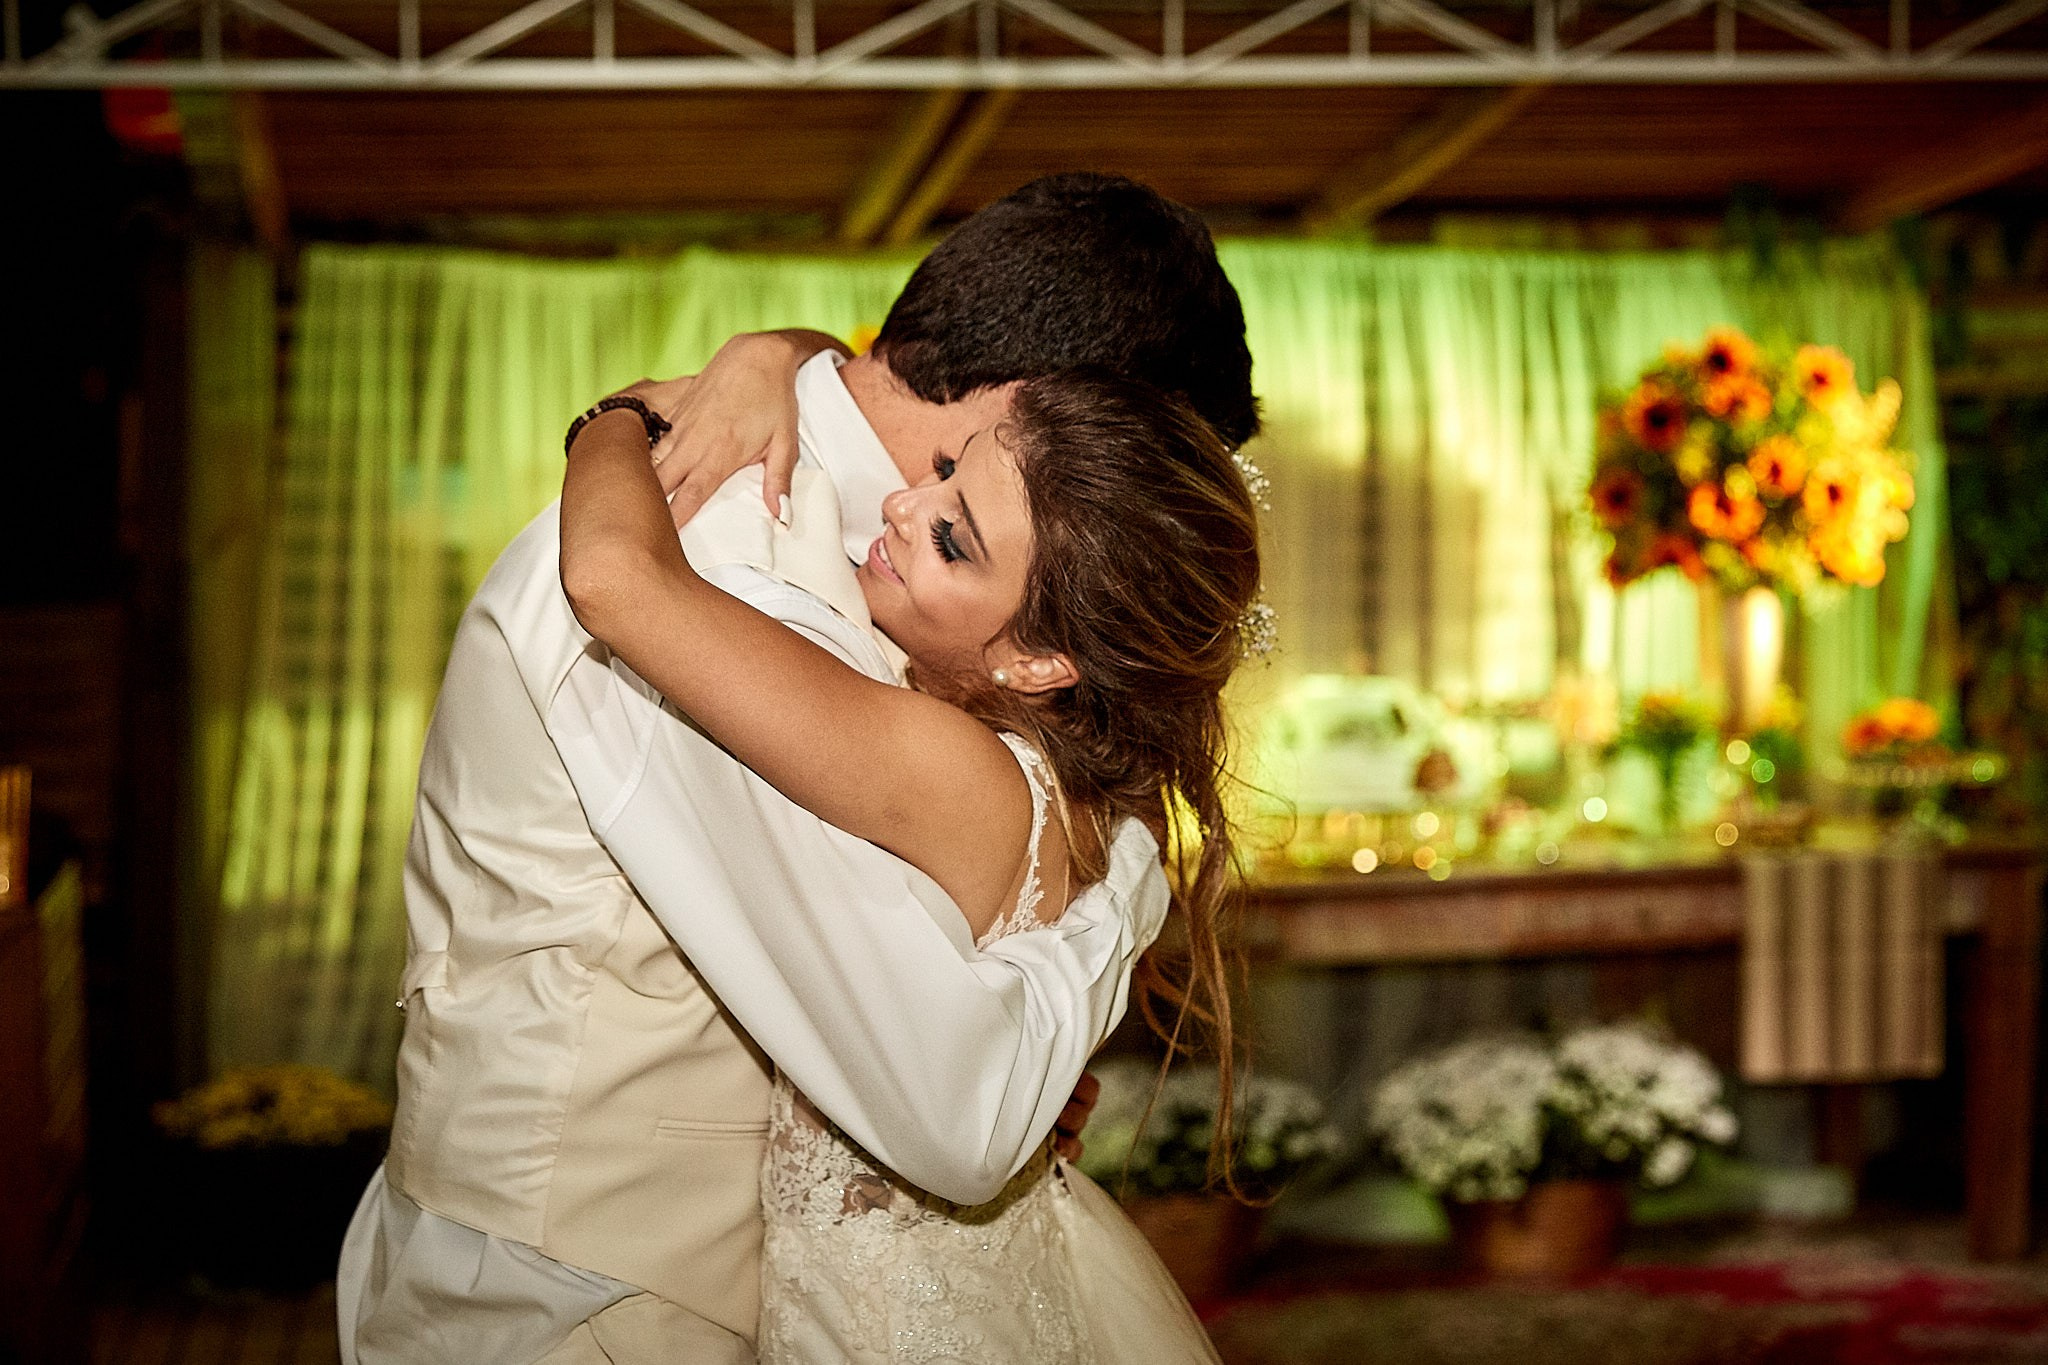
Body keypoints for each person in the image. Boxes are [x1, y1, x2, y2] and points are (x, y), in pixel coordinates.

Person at [338, 171, 1261, 1364]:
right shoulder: (731, 568)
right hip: (585, 1299)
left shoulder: (875, 548)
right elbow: (944, 1090)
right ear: (1041, 408)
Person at [560, 362, 1260, 1362]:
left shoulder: (954, 772)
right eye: (942, 469)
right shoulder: (1104, 804)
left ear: (1039, 661)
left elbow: (613, 581)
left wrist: (618, 417)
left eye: (951, 538)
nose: (898, 503)